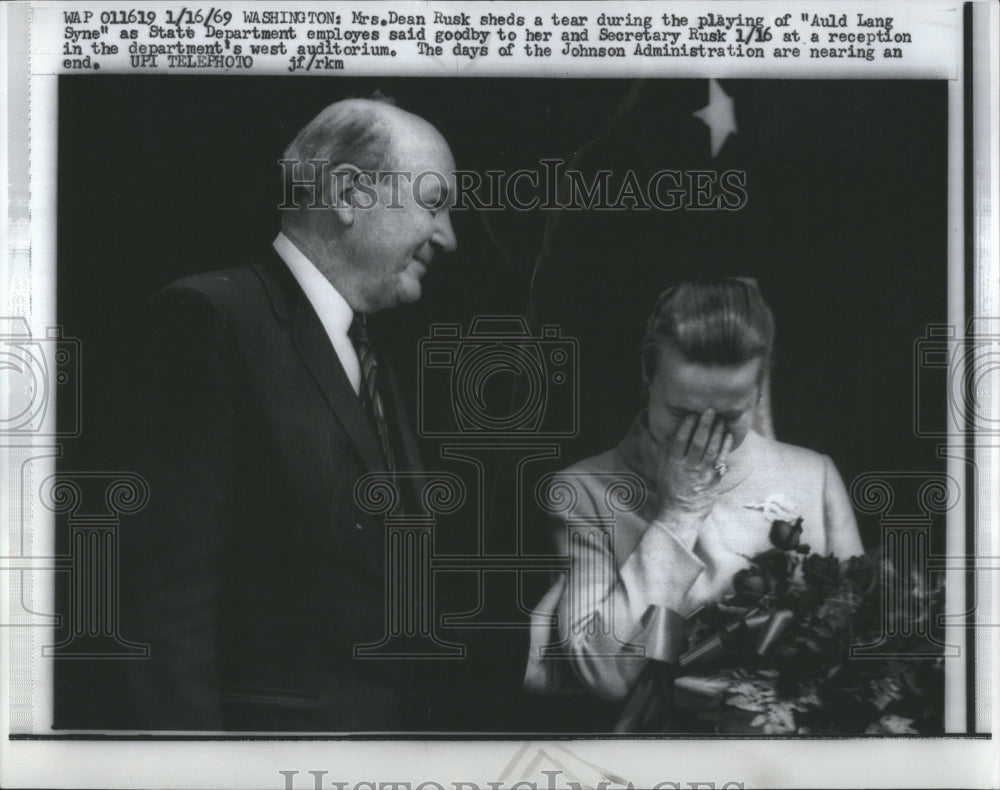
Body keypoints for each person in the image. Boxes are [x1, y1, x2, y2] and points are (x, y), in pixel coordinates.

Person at [116, 96, 458, 730]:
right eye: (433, 204)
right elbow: (164, 611)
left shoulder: (371, 350)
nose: (447, 236)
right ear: (351, 193)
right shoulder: (209, 320)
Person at [524, 278, 863, 707]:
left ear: (760, 390)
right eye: (681, 412)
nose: (703, 433)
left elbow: (858, 653)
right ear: (647, 376)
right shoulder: (581, 491)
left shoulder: (815, 475)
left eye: (730, 415)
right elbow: (604, 674)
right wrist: (679, 513)